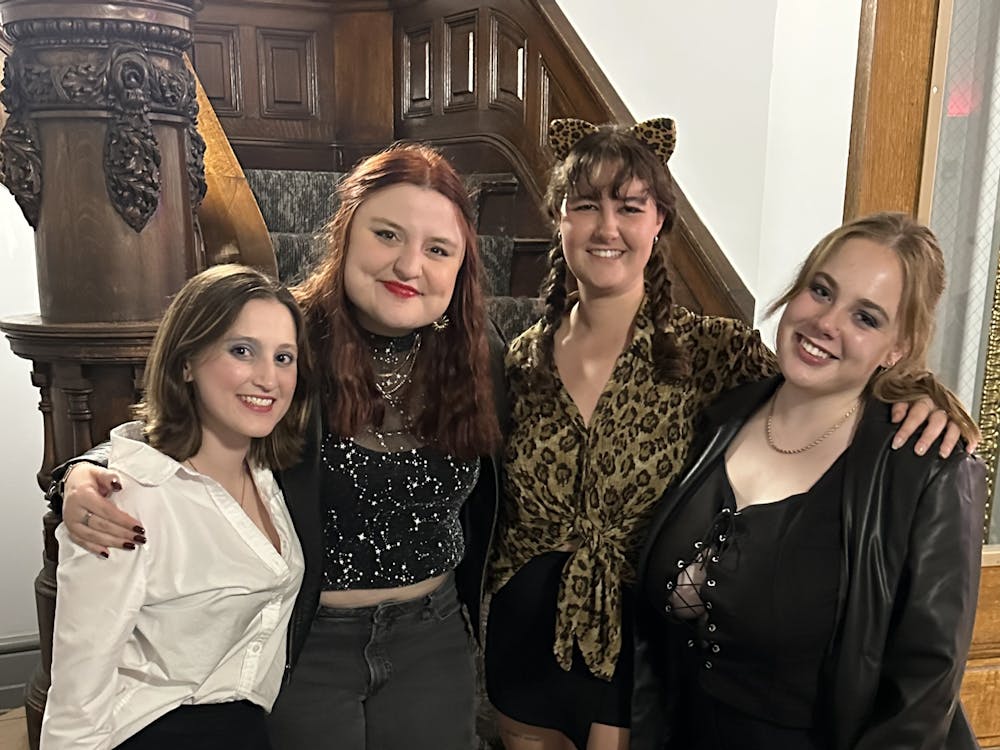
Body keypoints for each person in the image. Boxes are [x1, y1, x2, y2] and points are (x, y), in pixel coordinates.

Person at [484, 119, 978, 750]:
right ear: (558, 219)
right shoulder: (520, 361)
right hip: (534, 657)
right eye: (586, 206)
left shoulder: (712, 355)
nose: (607, 228)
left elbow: (824, 378)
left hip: (631, 672)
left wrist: (928, 393)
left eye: (630, 207)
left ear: (659, 221)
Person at [46, 143, 505, 750]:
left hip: (434, 633)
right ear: (346, 234)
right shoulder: (286, 338)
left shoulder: (481, 356)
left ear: (460, 265)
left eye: (438, 249)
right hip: (307, 637)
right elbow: (175, 423)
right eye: (387, 234)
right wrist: (82, 471)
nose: (409, 265)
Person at [632, 212, 986, 750]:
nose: (827, 322)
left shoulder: (927, 466)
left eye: (866, 318)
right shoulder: (718, 415)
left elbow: (921, 697)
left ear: (897, 347)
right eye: (821, 291)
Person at [40, 264, 314, 749]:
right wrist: (78, 475)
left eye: (284, 357)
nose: (269, 378)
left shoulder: (271, 474)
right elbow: (77, 694)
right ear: (186, 361)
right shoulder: (124, 498)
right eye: (242, 350)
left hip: (246, 728)